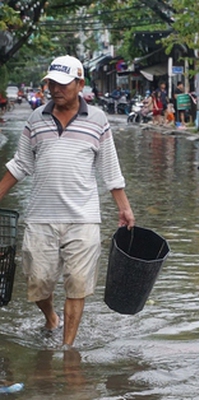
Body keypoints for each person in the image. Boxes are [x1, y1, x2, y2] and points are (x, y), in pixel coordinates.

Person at [0, 55, 135, 347]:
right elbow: (20, 164)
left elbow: (110, 169)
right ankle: (51, 317)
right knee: (37, 284)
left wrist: (124, 208)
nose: (55, 89)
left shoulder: (98, 120)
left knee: (77, 284)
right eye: (51, 83)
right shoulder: (36, 119)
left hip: (83, 217)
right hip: (40, 216)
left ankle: (67, 349)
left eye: (62, 84)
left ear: (80, 84)